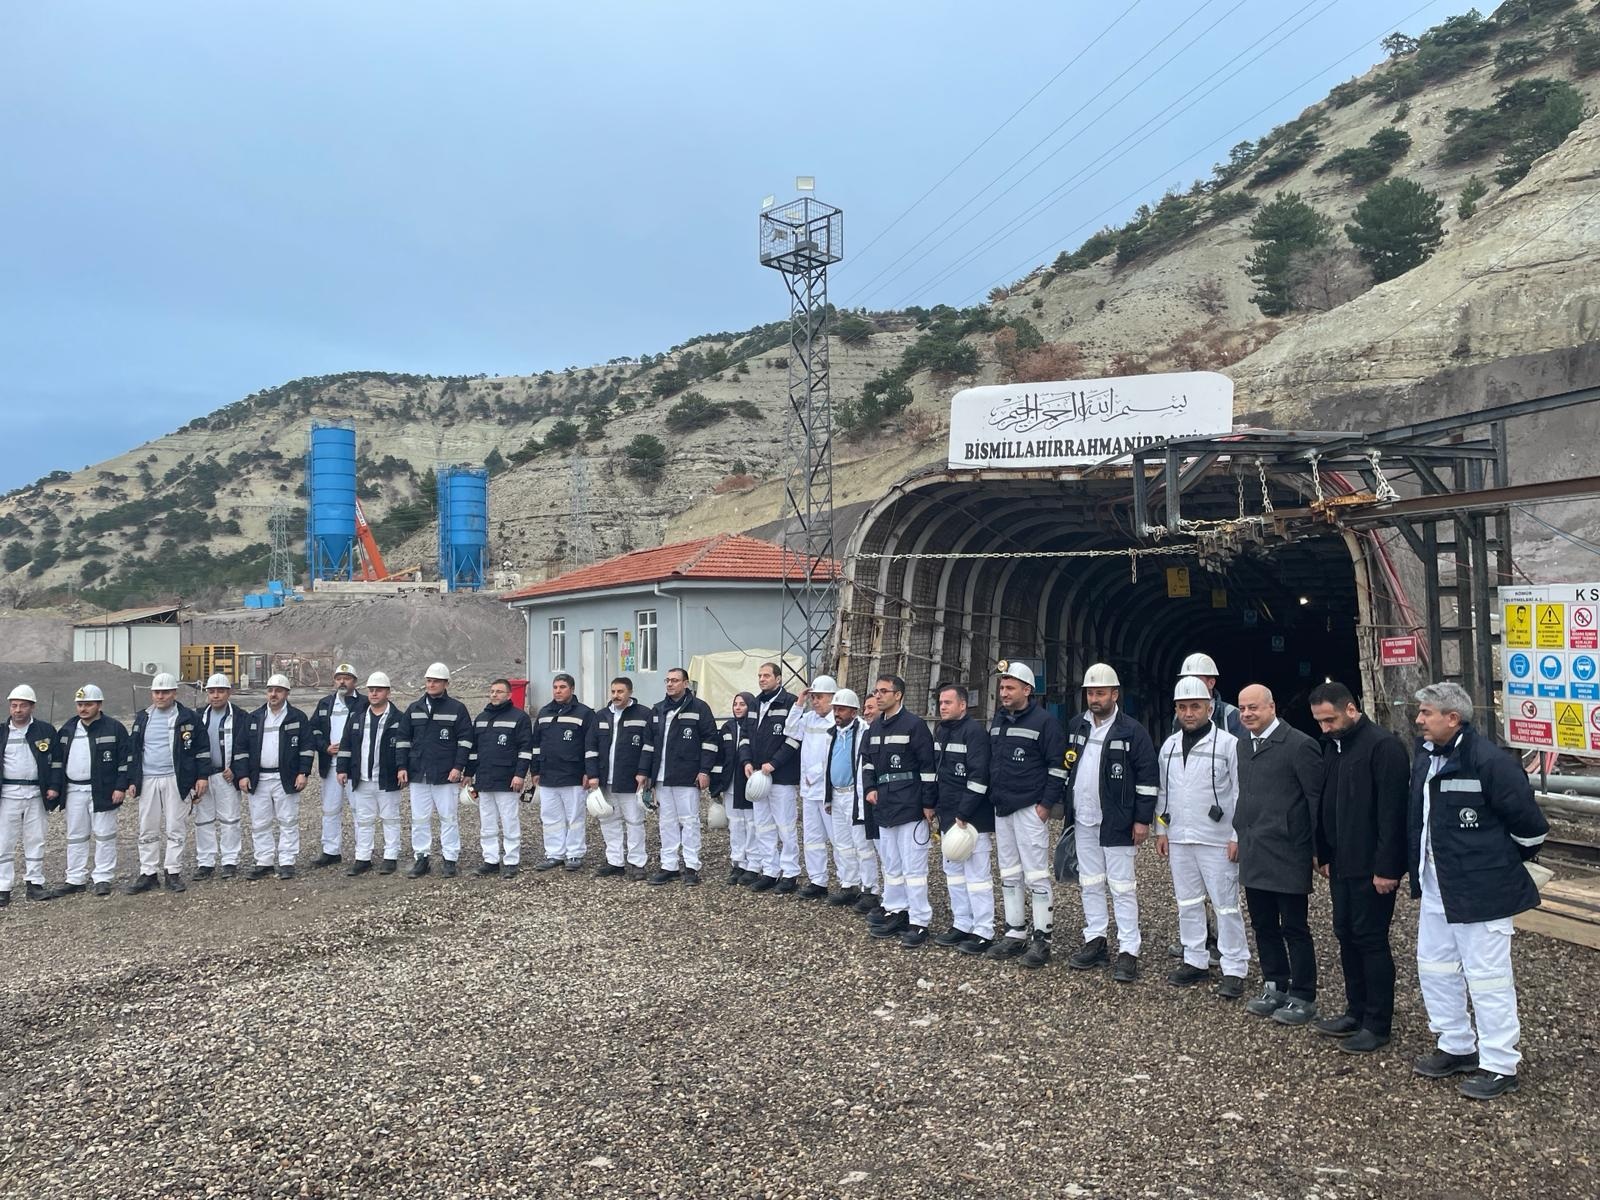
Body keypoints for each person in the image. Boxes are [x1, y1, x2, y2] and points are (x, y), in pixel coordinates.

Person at [1409, 681, 1549, 1101]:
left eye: (1427, 713)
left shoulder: (1490, 762)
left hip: (1481, 888)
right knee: (1435, 967)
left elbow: (1530, 829)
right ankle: (1456, 1044)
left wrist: (1495, 863)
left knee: (1488, 977)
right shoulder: (1426, 757)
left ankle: (1500, 1063)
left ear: (1453, 718)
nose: (1419, 720)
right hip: (1438, 885)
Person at [1307, 680, 1411, 1053]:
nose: (1325, 728)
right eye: (1319, 722)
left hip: (1371, 866)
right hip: (1342, 863)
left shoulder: (1383, 748)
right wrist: (1324, 853)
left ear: (1351, 709)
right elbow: (1326, 803)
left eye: (1330, 720)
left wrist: (1388, 867)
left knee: (1370, 938)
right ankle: (1356, 1011)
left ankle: (1377, 1023)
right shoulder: (1334, 747)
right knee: (1346, 935)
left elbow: (1392, 813)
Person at [1236, 684, 1326, 1025]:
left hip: (1288, 850)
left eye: (1254, 707)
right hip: (1254, 848)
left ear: (1271, 707)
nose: (1247, 714)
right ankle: (1275, 983)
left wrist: (1318, 848)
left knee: (1294, 927)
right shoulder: (1243, 744)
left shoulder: (1300, 745)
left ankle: (1303, 994)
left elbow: (1315, 800)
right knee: (1262, 923)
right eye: (1243, 708)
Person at [1064, 664, 1158, 983]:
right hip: (1084, 819)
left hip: (1118, 821)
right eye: (1090, 693)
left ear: (1115, 695)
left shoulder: (1132, 731)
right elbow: (1068, 765)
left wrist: (1142, 819)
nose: (1094, 699)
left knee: (1122, 888)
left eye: (1100, 693)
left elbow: (1147, 779)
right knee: (1090, 882)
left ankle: (1129, 950)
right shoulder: (1077, 726)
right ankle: (1096, 940)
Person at [1157, 675, 1248, 997]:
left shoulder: (1228, 745)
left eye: (1195, 706)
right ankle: (1195, 958)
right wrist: (1161, 830)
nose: (1188, 713)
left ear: (1209, 708)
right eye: (1182, 707)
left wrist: (1237, 835)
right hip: (1180, 836)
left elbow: (1239, 793)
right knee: (1187, 902)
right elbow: (1164, 792)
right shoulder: (1168, 746)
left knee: (1226, 905)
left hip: (1218, 839)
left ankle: (1234, 966)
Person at [985, 661, 1066, 967]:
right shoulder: (999, 720)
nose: (1004, 693)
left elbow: (1057, 766)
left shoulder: (1045, 722)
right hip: (1003, 807)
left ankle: (1042, 939)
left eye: (1010, 687)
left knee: (1036, 874)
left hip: (1030, 807)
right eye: (1002, 687)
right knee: (1008, 872)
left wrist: (1045, 805)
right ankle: (1015, 931)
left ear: (1027, 690)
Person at [861, 674, 938, 949]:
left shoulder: (914, 725)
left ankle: (919, 920)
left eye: (884, 691)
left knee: (913, 866)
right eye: (876, 691)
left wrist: (928, 803)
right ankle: (896, 909)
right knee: (891, 864)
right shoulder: (874, 728)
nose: (878, 695)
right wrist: (870, 787)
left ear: (898, 695)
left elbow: (927, 768)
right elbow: (867, 762)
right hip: (884, 804)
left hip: (910, 805)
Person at [125, 673, 208, 895]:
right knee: (147, 827)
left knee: (175, 826)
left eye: (165, 692)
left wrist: (202, 776)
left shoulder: (188, 717)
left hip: (176, 778)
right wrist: (132, 779)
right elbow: (134, 750)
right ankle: (148, 872)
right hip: (148, 779)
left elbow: (202, 749)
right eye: (157, 692)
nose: (160, 696)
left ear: (174, 693)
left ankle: (173, 871)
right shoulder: (143, 717)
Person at [639, 667, 718, 886]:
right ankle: (669, 866)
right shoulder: (658, 709)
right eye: (667, 680)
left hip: (687, 775)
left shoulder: (699, 708)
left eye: (675, 680)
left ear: (685, 683)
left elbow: (710, 741)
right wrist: (644, 772)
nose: (670, 684)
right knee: (666, 822)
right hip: (662, 776)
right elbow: (648, 744)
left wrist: (704, 770)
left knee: (690, 821)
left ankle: (691, 867)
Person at [932, 682, 995, 954]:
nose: (942, 707)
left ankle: (983, 930)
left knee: (977, 876)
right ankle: (962, 923)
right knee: (954, 873)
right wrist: (933, 806)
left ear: (963, 705)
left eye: (948, 703)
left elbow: (979, 777)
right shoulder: (941, 731)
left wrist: (964, 812)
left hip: (972, 819)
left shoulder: (975, 733)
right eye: (940, 703)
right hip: (948, 815)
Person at [53, 685, 131, 897]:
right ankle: (75, 878)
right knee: (76, 836)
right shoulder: (68, 729)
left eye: (88, 704)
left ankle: (103, 877)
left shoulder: (114, 728)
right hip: (74, 790)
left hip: (103, 790)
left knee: (105, 835)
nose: (83, 709)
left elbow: (124, 760)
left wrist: (120, 786)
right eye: (80, 704)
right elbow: (58, 761)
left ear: (99, 704)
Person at [404, 662, 474, 878]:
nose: (431, 684)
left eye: (436, 681)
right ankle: (421, 858)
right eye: (429, 681)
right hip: (419, 773)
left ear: (446, 683)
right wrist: (402, 767)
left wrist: (458, 767)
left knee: (448, 817)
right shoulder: (414, 708)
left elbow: (465, 741)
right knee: (419, 819)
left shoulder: (456, 709)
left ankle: (450, 858)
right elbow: (403, 740)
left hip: (446, 774)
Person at [241, 673, 312, 881]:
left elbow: (307, 747)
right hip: (259, 778)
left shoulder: (297, 717)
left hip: (286, 777)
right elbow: (241, 748)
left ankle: (287, 861)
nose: (273, 694)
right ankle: (264, 861)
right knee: (260, 822)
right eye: (270, 690)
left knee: (288, 820)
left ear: (287, 693)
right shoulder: (254, 718)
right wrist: (243, 775)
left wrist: (303, 773)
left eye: (278, 691)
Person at [337, 671, 407, 876]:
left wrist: (402, 768)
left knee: (390, 818)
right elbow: (346, 745)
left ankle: (390, 857)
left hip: (387, 778)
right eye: (371, 690)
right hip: (362, 779)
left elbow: (404, 746)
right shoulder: (357, 718)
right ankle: (363, 858)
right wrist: (342, 769)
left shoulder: (398, 719)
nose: (374, 693)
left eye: (379, 690)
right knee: (363, 820)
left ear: (388, 692)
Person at [741, 662, 802, 894]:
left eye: (767, 675)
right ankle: (770, 870)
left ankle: (790, 873)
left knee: (785, 826)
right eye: (759, 676)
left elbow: (794, 739)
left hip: (781, 777)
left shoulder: (790, 703)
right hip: (758, 776)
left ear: (778, 678)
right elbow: (745, 736)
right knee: (763, 826)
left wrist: (774, 763)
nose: (762, 679)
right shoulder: (755, 704)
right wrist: (747, 761)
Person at [585, 676, 653, 880]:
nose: (616, 695)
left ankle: (637, 863)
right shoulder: (601, 716)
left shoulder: (643, 714)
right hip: (606, 779)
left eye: (620, 691)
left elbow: (649, 747)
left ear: (630, 692)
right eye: (613, 691)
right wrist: (593, 775)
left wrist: (643, 772)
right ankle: (615, 862)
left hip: (631, 779)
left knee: (634, 821)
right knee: (608, 820)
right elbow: (591, 747)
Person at [0, 684, 62, 904]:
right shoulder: (2, 732)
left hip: (36, 792)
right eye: (14, 705)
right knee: (4, 841)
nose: (17, 710)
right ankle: (3, 887)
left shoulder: (45, 731)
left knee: (36, 839)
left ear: (32, 707)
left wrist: (54, 786)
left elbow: (57, 762)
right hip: (8, 794)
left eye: (23, 706)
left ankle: (34, 883)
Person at [468, 678, 534, 878]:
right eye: (492, 691)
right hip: (484, 779)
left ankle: (511, 860)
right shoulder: (481, 718)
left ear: (509, 694)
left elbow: (525, 750)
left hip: (507, 779)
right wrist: (469, 774)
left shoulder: (519, 718)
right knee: (487, 822)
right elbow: (474, 750)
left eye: (499, 691)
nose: (494, 695)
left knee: (509, 821)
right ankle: (490, 860)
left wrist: (520, 775)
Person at [781, 675, 840, 899]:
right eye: (813, 697)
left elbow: (833, 755)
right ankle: (818, 881)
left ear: (832, 697)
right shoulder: (808, 719)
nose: (815, 701)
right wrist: (799, 704)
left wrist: (814, 774)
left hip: (828, 790)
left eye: (819, 697)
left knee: (837, 838)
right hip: (809, 791)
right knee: (812, 839)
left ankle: (847, 883)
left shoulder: (837, 722)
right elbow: (790, 730)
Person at [530, 673, 594, 872]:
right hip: (548, 774)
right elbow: (536, 744)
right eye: (555, 687)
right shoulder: (544, 712)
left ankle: (574, 853)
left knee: (574, 817)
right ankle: (554, 853)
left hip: (573, 774)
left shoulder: (584, 713)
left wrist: (589, 771)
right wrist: (535, 769)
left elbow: (590, 745)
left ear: (572, 689)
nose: (558, 691)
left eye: (562, 687)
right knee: (550, 817)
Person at [824, 688, 879, 912]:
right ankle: (849, 884)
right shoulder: (832, 733)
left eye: (842, 709)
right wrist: (828, 797)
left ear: (854, 712)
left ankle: (870, 889)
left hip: (855, 795)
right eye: (835, 709)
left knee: (862, 844)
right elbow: (827, 765)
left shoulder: (864, 732)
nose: (837, 713)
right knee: (842, 844)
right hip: (837, 794)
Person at [194, 673, 251, 880]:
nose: (216, 695)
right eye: (212, 691)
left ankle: (229, 861)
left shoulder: (241, 716)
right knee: (203, 820)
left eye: (220, 691)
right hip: (203, 777)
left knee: (230, 819)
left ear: (229, 693)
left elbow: (246, 745)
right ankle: (205, 862)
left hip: (226, 776)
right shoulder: (198, 716)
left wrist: (236, 768)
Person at [308, 663, 365, 868]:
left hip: (355, 766)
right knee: (330, 809)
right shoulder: (325, 703)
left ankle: (362, 853)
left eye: (347, 678)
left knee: (359, 810)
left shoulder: (365, 703)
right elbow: (313, 730)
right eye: (339, 678)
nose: (342, 682)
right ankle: (331, 851)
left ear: (354, 681)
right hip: (330, 765)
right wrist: (325, 747)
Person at [712, 691, 759, 886]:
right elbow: (720, 756)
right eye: (735, 704)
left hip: (748, 784)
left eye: (742, 704)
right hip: (730, 784)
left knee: (752, 824)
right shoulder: (727, 727)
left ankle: (754, 864)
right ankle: (738, 862)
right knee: (735, 823)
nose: (738, 708)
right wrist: (716, 784)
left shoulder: (755, 726)